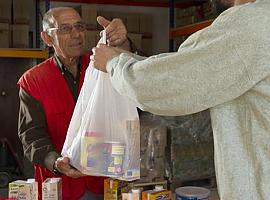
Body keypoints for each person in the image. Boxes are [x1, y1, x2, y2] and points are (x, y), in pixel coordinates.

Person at [91, 0, 270, 199]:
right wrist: (124, 56)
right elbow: (185, 68)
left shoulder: (253, 22)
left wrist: (115, 64)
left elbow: (172, 83)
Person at [17, 7, 130, 200]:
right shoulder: (33, 81)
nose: (76, 34)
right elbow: (32, 136)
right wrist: (54, 161)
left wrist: (124, 44)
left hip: (104, 180)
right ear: (47, 38)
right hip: (60, 185)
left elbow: (132, 70)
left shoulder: (101, 66)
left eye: (79, 26)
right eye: (65, 29)